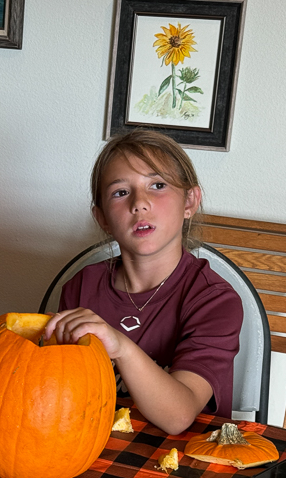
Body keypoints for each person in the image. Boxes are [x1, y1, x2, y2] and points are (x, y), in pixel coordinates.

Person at [44, 128, 242, 435]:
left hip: (185, 464)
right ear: (103, 219)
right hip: (92, 451)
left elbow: (179, 416)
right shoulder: (80, 287)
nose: (139, 203)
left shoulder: (215, 301)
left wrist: (120, 345)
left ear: (190, 201)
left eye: (158, 185)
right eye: (121, 192)